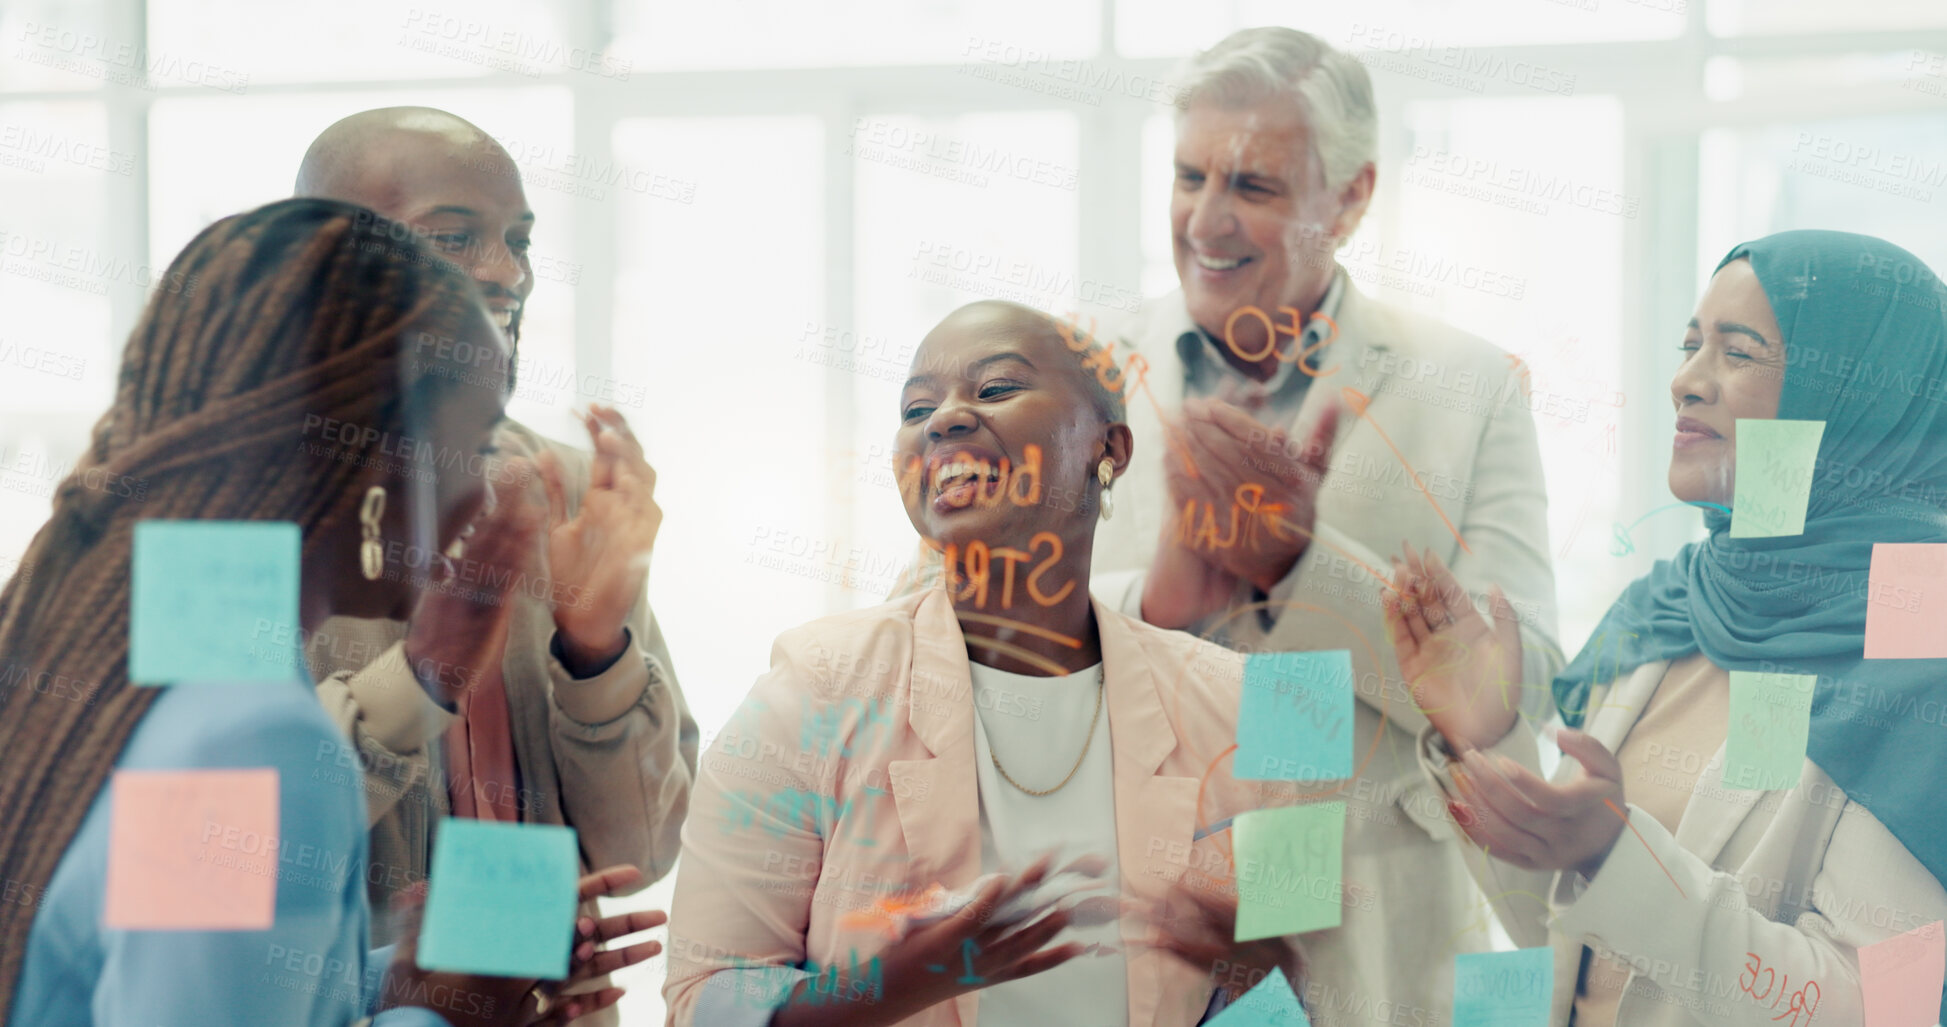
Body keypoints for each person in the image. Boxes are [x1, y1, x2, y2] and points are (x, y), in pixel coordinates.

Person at [0, 199, 663, 1025]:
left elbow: (198, 972)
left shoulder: (154, 628)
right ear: (382, 461)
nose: (487, 486)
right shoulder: (253, 732)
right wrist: (446, 1014)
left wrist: (419, 978)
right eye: (476, 444)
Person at [664, 300, 1322, 1026]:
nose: (942, 419)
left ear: (1110, 449)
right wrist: (897, 983)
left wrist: (1271, 972)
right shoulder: (806, 691)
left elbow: (1298, 991)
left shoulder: (1251, 710)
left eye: (995, 388)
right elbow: (703, 997)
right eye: (916, 407)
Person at [1085, 26, 1563, 1022]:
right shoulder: (1076, 365)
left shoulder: (1469, 384)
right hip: (1124, 908)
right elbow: (957, 627)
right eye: (1187, 176)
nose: (1205, 220)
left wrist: (1302, 570)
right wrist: (1156, 601)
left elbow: (1527, 680)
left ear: (1351, 198)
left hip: (1369, 934)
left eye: (1253, 187)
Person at [1392, 230, 1947, 1025]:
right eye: (1690, 346)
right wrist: (1488, 735)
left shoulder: (1915, 665)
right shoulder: (1666, 612)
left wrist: (1616, 856)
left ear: (1858, 404)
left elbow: (1876, 1009)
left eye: (1737, 353)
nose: (1685, 381)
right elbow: (1559, 930)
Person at [291, 109, 697, 998]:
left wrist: (597, 654)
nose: (506, 272)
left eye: (518, 241)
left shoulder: (574, 489)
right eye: (453, 237)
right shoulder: (210, 513)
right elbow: (190, 850)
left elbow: (642, 848)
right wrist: (403, 991)